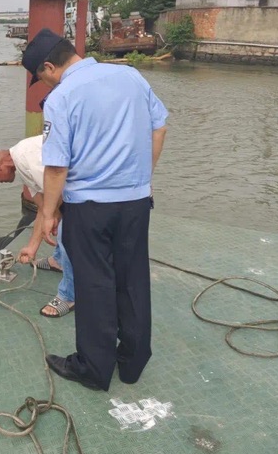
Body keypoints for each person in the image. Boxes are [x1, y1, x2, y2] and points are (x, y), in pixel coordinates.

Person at [22, 28, 168, 391]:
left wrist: (47, 213)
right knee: (132, 279)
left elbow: (56, 167)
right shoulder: (129, 75)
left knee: (94, 284)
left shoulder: (62, 97)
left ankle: (94, 367)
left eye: (40, 77)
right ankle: (132, 361)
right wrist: (141, 177)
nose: (44, 85)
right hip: (136, 203)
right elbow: (159, 125)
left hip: (89, 207)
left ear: (48, 66)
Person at [0, 136, 75, 317]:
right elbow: (43, 207)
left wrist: (53, 214)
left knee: (69, 234)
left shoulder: (27, 156)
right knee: (55, 215)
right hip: (69, 189)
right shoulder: (22, 166)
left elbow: (57, 188)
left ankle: (69, 295)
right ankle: (58, 261)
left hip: (86, 187)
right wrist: (32, 247)